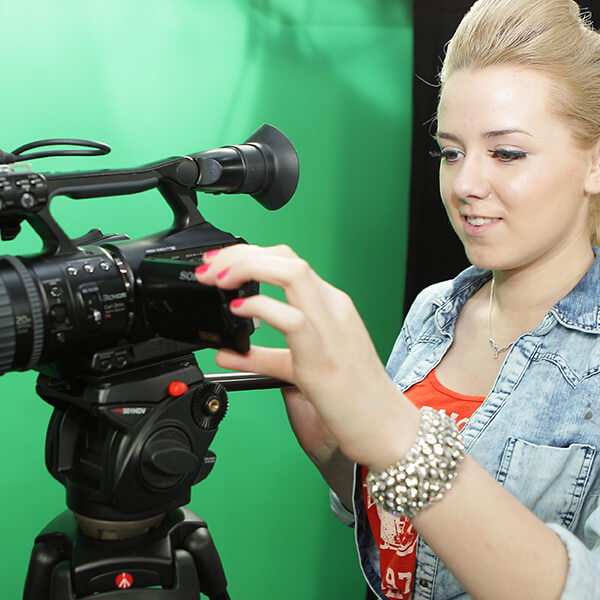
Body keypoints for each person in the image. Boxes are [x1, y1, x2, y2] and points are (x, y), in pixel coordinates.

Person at [195, 0, 600, 597]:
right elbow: (397, 531)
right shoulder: (435, 310)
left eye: (507, 153)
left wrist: (391, 430)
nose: (465, 184)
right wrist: (336, 450)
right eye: (451, 151)